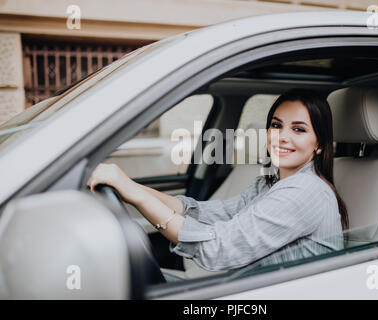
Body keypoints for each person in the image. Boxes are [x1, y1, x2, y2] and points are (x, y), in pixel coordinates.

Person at [87, 88, 348, 273]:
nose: (281, 137)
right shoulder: (269, 182)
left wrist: (139, 196)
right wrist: (127, 186)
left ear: (319, 146)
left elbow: (220, 248)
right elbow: (206, 213)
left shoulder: (306, 191)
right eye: (277, 125)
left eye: (299, 129)